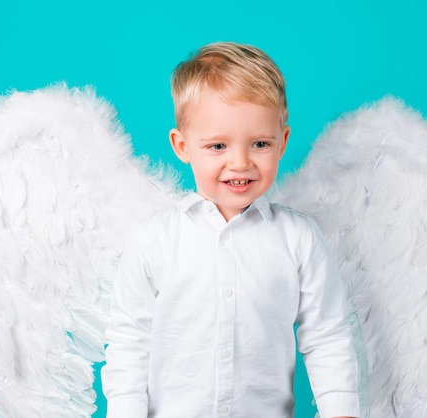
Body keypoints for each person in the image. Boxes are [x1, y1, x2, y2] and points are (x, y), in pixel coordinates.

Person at [101, 41, 360, 418]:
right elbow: (129, 340)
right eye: (218, 145)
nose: (240, 163)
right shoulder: (153, 239)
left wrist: (341, 410)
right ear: (182, 145)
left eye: (259, 143)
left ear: (283, 142)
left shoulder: (299, 238)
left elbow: (327, 335)